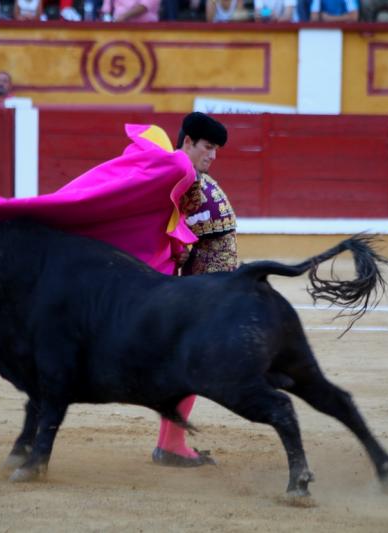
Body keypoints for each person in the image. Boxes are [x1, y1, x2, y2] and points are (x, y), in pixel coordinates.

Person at [151, 112, 237, 468]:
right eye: (207, 146)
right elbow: (173, 235)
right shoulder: (184, 180)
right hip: (202, 288)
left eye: (216, 149)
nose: (213, 155)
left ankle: (168, 445)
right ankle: (171, 446)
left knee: (186, 366)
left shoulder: (185, 176)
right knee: (193, 366)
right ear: (187, 142)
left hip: (205, 285)